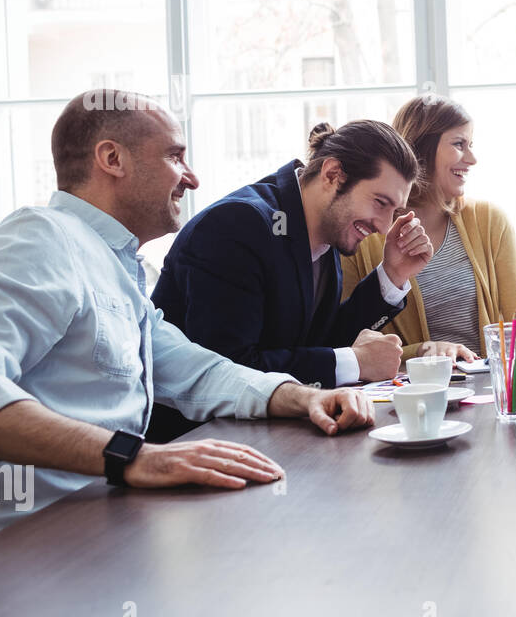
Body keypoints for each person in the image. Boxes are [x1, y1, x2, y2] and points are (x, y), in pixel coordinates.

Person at [0, 90, 374, 562]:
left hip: (89, 540)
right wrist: (136, 457)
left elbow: (196, 370)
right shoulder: (38, 240)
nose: (192, 177)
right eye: (174, 156)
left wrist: (305, 396)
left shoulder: (117, 268)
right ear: (111, 158)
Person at [149, 120, 433, 440]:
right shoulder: (237, 225)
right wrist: (354, 362)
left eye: (394, 212)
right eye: (380, 203)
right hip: (194, 440)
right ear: (332, 174)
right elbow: (231, 367)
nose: (383, 227)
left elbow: (316, 341)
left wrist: (393, 273)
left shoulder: (323, 225)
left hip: (273, 432)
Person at [340, 96, 516, 363]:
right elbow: (347, 342)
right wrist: (423, 352)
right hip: (409, 393)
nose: (472, 159)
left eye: (470, 145)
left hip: (487, 388)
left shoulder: (491, 221)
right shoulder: (362, 234)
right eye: (459, 144)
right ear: (422, 149)